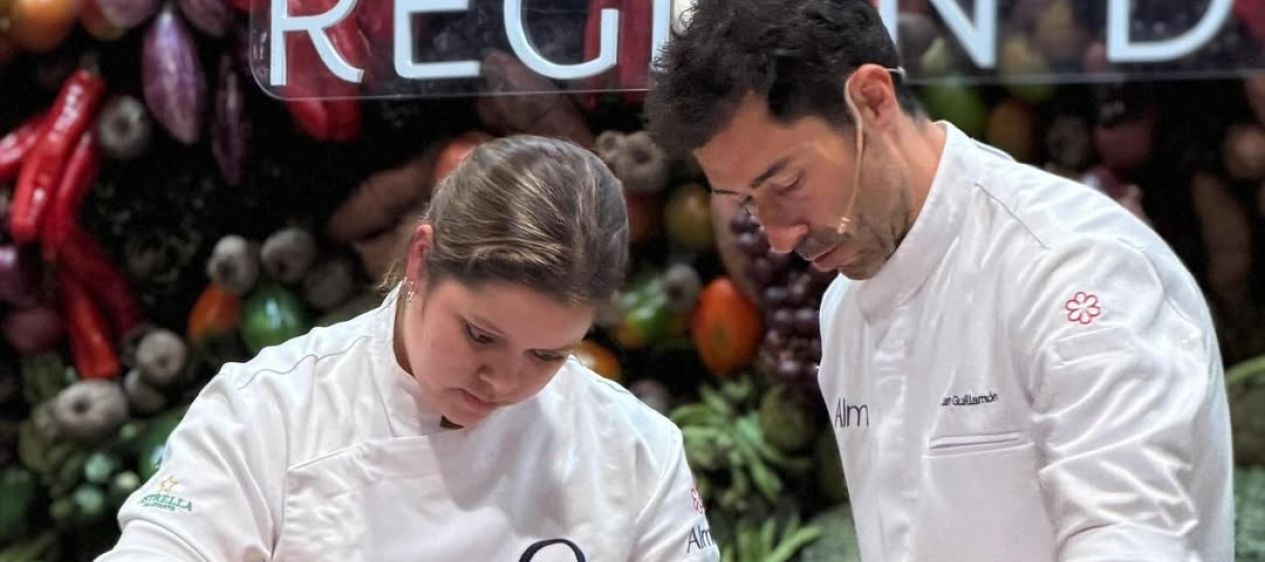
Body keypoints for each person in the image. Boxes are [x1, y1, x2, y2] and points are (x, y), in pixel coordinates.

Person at [645, 0, 1234, 560]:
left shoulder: (1075, 266)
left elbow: (1130, 536)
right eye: (750, 202)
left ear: (873, 101)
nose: (777, 236)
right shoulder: (844, 311)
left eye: (787, 183)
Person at [98, 136, 720, 561]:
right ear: (422, 259)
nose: (503, 381)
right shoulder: (267, 413)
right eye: (480, 335)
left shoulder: (637, 450)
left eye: (547, 356)